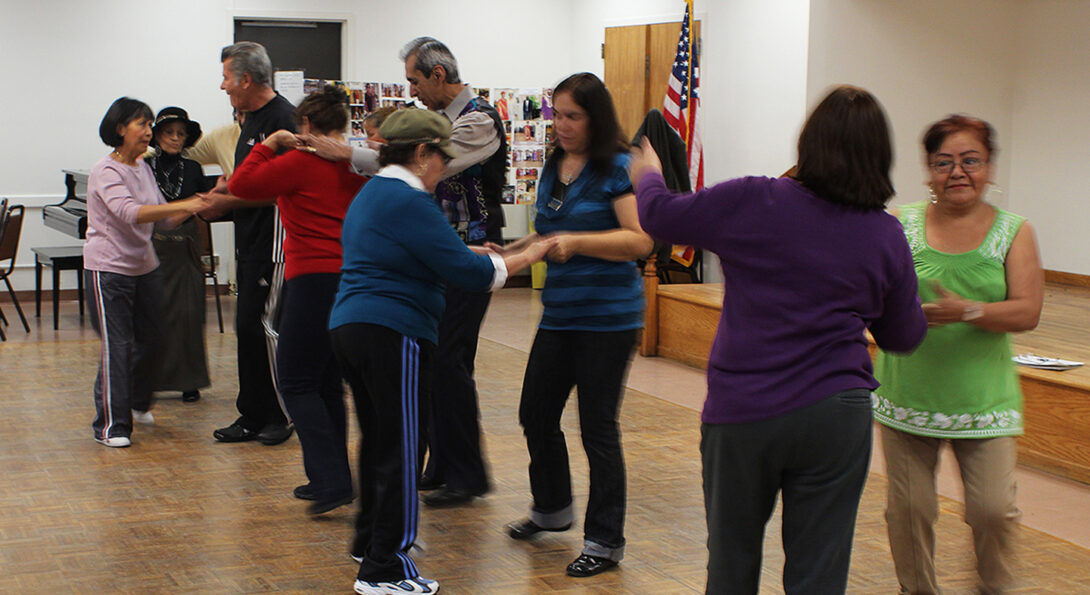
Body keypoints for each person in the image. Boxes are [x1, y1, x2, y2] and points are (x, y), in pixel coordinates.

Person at [629, 85, 928, 594]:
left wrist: (648, 174)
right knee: (819, 572)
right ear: (880, 156)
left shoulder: (754, 198)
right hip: (836, 412)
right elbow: (903, 336)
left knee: (732, 560)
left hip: (746, 409)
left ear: (808, 143)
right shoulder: (885, 234)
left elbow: (659, 216)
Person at [328, 108, 552, 595]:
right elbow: (468, 276)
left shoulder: (376, 193)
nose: (445, 169)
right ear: (422, 153)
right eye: (441, 158)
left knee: (382, 443)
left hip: (356, 327)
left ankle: (370, 542)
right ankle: (386, 568)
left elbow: (420, 252)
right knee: (405, 447)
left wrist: (476, 252)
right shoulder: (408, 199)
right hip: (394, 330)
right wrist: (527, 255)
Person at [873, 115, 1044, 595]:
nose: (957, 172)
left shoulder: (1014, 231)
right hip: (908, 395)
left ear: (989, 168)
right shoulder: (897, 224)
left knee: (994, 511)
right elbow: (872, 292)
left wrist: (967, 310)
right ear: (928, 171)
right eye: (943, 162)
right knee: (909, 511)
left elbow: (1027, 310)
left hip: (984, 402)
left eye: (970, 161)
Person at [497, 72, 653, 578]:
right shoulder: (552, 165)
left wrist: (580, 244)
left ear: (595, 117)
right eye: (556, 115)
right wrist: (514, 250)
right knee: (535, 413)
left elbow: (640, 241)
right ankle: (552, 509)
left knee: (597, 429)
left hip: (608, 319)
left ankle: (605, 541)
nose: (561, 125)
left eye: (572, 116)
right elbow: (548, 232)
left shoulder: (618, 167)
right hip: (560, 315)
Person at [228, 86, 367, 515]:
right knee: (325, 382)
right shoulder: (356, 167)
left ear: (304, 125)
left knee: (294, 381)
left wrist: (269, 144)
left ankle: (330, 480)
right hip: (348, 280)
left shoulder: (297, 163)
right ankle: (333, 477)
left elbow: (241, 184)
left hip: (310, 280)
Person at [85, 97, 209, 447]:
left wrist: (205, 200)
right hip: (109, 270)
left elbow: (164, 217)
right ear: (120, 128)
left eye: (149, 124)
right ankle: (111, 426)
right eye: (142, 124)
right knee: (118, 347)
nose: (149, 131)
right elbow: (130, 213)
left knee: (156, 339)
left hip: (145, 266)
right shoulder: (106, 170)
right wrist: (186, 203)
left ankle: (137, 401)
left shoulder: (142, 167)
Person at [206, 41, 296, 446]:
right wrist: (224, 191)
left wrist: (224, 201)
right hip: (250, 241)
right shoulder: (251, 119)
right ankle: (253, 414)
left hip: (274, 245)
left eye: (226, 77)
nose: (222, 85)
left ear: (245, 78)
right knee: (247, 328)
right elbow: (249, 179)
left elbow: (281, 189)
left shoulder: (283, 121)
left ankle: (281, 414)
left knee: (265, 328)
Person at [146, 107, 214, 403]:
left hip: (185, 246)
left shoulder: (195, 169)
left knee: (188, 313)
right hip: (152, 246)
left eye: (180, 134)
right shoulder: (143, 167)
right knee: (153, 313)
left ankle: (189, 380)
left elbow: (206, 206)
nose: (174, 139)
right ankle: (150, 380)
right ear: (157, 135)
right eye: (169, 132)